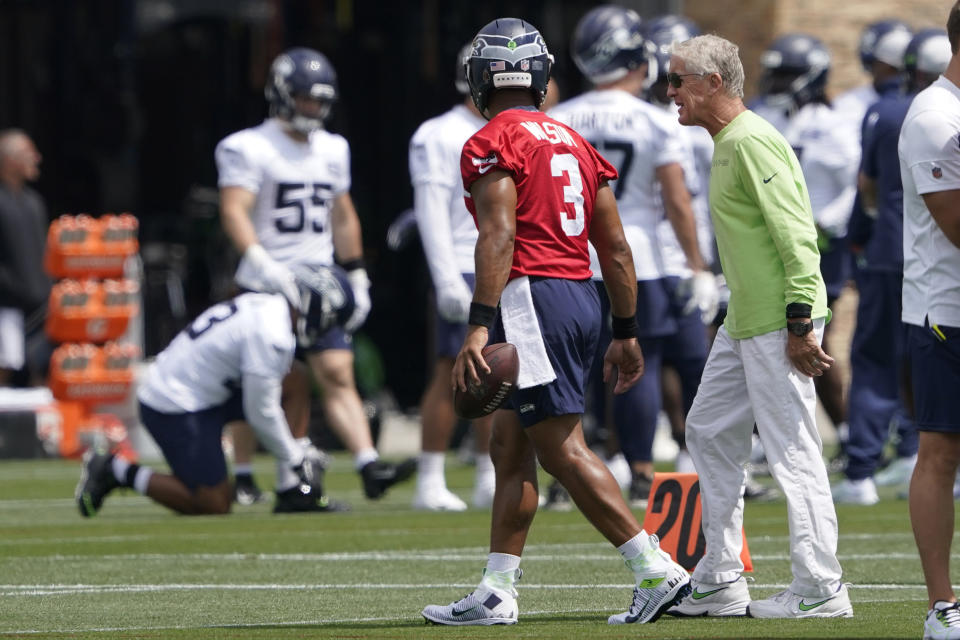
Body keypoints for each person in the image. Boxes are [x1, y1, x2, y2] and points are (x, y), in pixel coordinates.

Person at [420, 17, 690, 627]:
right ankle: (497, 589)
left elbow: (498, 233)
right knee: (508, 442)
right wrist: (624, 329)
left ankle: (655, 568)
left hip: (530, 297)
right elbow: (616, 248)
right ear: (540, 77)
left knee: (561, 447)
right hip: (580, 294)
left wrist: (479, 324)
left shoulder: (492, 140)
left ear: (481, 79)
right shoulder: (573, 141)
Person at [663, 34, 851, 619]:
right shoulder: (727, 141)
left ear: (712, 84)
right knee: (708, 429)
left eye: (678, 82)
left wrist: (800, 320)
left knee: (793, 451)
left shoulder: (750, 141)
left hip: (778, 320)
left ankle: (821, 588)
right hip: (744, 319)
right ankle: (720, 578)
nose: (669, 92)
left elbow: (797, 235)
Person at [214, 47, 414, 504]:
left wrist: (357, 273)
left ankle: (367, 465)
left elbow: (342, 216)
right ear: (283, 95)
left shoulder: (332, 148)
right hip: (266, 280)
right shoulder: (248, 146)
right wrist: (259, 260)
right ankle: (245, 473)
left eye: (319, 100)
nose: (313, 109)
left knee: (336, 371)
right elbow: (234, 209)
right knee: (268, 378)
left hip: (318, 280)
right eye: (305, 99)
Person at [548, 6, 716, 508]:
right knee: (638, 363)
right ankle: (642, 468)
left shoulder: (558, 119)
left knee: (574, 368)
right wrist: (697, 264)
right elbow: (677, 199)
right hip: (638, 256)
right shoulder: (654, 120)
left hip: (573, 259)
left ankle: (564, 468)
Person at [75, 266, 354, 516]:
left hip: (202, 391)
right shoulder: (272, 333)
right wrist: (296, 457)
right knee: (213, 503)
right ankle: (116, 470)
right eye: (329, 318)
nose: (326, 327)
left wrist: (297, 452)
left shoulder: (266, 305)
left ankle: (292, 491)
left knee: (295, 380)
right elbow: (262, 411)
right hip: (173, 404)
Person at [836, 29, 952, 506]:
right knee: (923, 360)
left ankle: (862, 466)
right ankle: (910, 449)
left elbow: (866, 185)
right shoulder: (944, 111)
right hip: (939, 256)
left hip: (891, 250)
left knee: (873, 360)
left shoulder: (888, 111)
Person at [408, 44, 495, 511]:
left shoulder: (503, 128)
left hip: (499, 262)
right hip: (462, 263)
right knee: (450, 374)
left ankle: (487, 473)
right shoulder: (438, 134)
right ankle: (429, 476)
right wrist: (444, 278)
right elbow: (431, 211)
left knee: (497, 374)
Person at [898, 4, 960, 636]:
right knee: (941, 453)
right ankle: (943, 605)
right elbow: (956, 225)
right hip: (948, 312)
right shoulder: (934, 116)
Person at [0, 129, 49, 387]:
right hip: (6, 307)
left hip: (40, 308)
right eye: (30, 154)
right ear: (11, 160)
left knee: (41, 369)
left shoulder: (34, 202)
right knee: (6, 366)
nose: (37, 159)